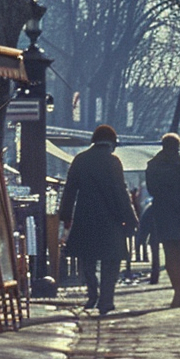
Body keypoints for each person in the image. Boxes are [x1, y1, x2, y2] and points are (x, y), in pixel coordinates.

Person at [59, 125, 137, 316]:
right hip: (110, 220)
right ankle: (106, 300)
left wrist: (66, 215)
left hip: (85, 217)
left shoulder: (80, 160)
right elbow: (121, 193)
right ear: (112, 143)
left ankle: (92, 295)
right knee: (111, 262)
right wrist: (131, 218)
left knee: (87, 260)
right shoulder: (113, 162)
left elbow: (70, 190)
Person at [144, 132, 180, 308]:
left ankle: (178, 290)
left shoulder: (153, 166)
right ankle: (179, 291)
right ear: (178, 147)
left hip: (162, 213)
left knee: (169, 255)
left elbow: (151, 190)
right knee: (179, 253)